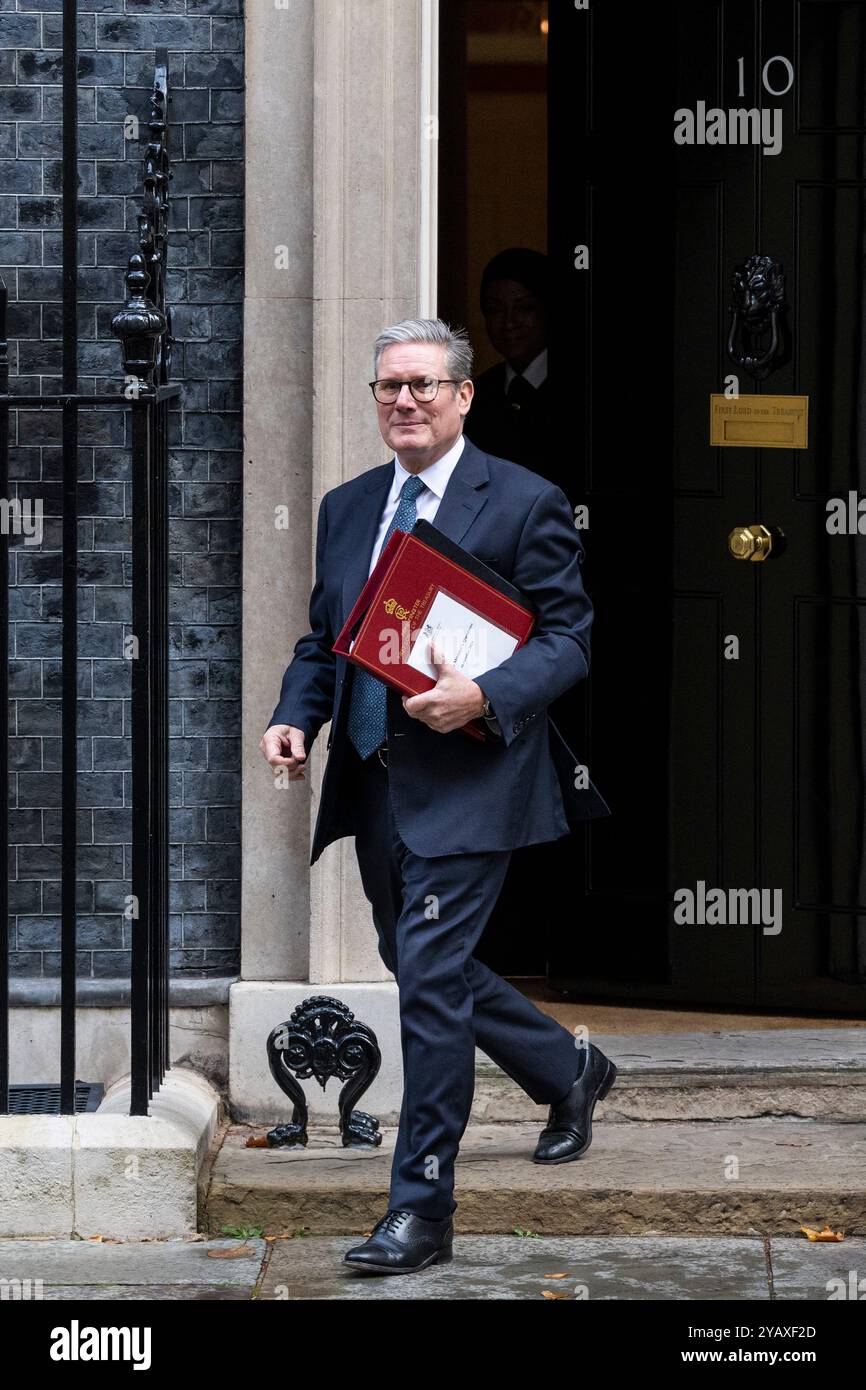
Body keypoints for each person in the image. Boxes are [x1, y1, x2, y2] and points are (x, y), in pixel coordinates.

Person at [259, 317, 616, 1276]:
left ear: (463, 396)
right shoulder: (346, 506)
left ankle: (421, 1210)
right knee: (422, 962)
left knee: (425, 983)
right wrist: (295, 716)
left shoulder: (526, 500)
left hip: (472, 782)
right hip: (374, 778)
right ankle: (568, 1067)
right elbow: (323, 640)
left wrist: (485, 696)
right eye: (389, 386)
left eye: (423, 385)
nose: (405, 401)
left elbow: (569, 640)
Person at [464, 247, 550, 467]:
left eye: (525, 308)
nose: (509, 322)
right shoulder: (477, 395)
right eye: (494, 310)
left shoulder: (584, 389)